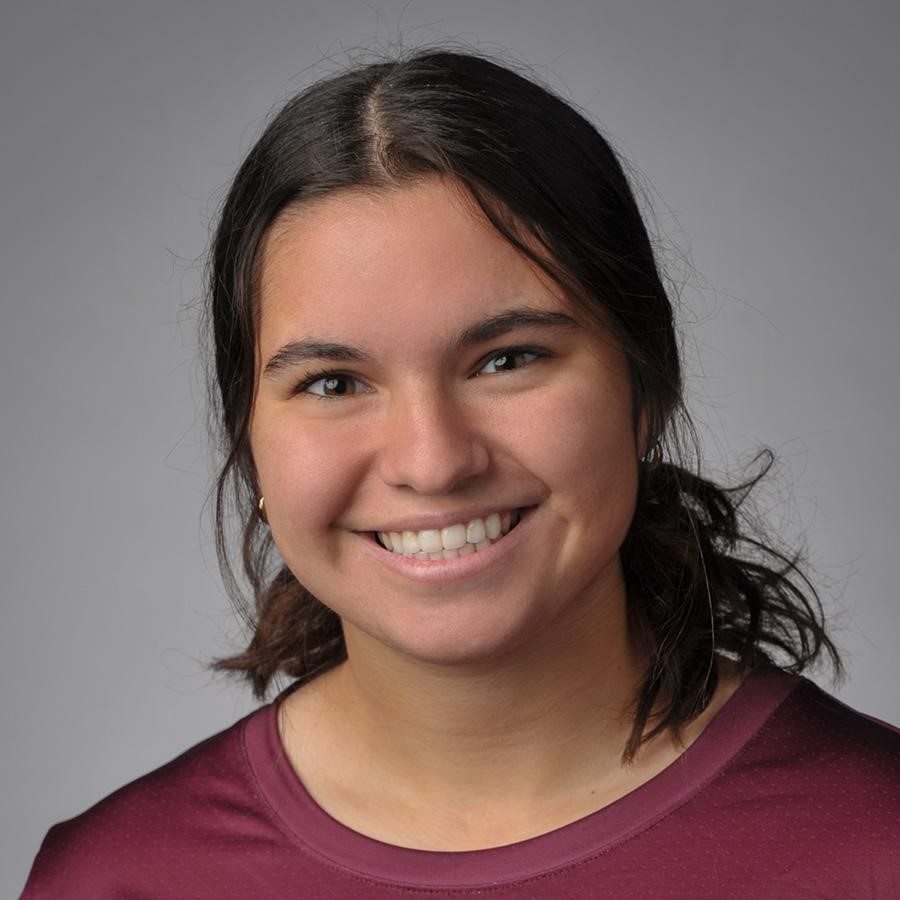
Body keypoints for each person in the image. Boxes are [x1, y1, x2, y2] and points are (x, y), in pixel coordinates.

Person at [22, 49, 898, 899]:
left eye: (507, 360)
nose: (433, 462)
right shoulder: (115, 882)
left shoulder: (876, 845)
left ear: (648, 387)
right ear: (248, 441)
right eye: (333, 383)